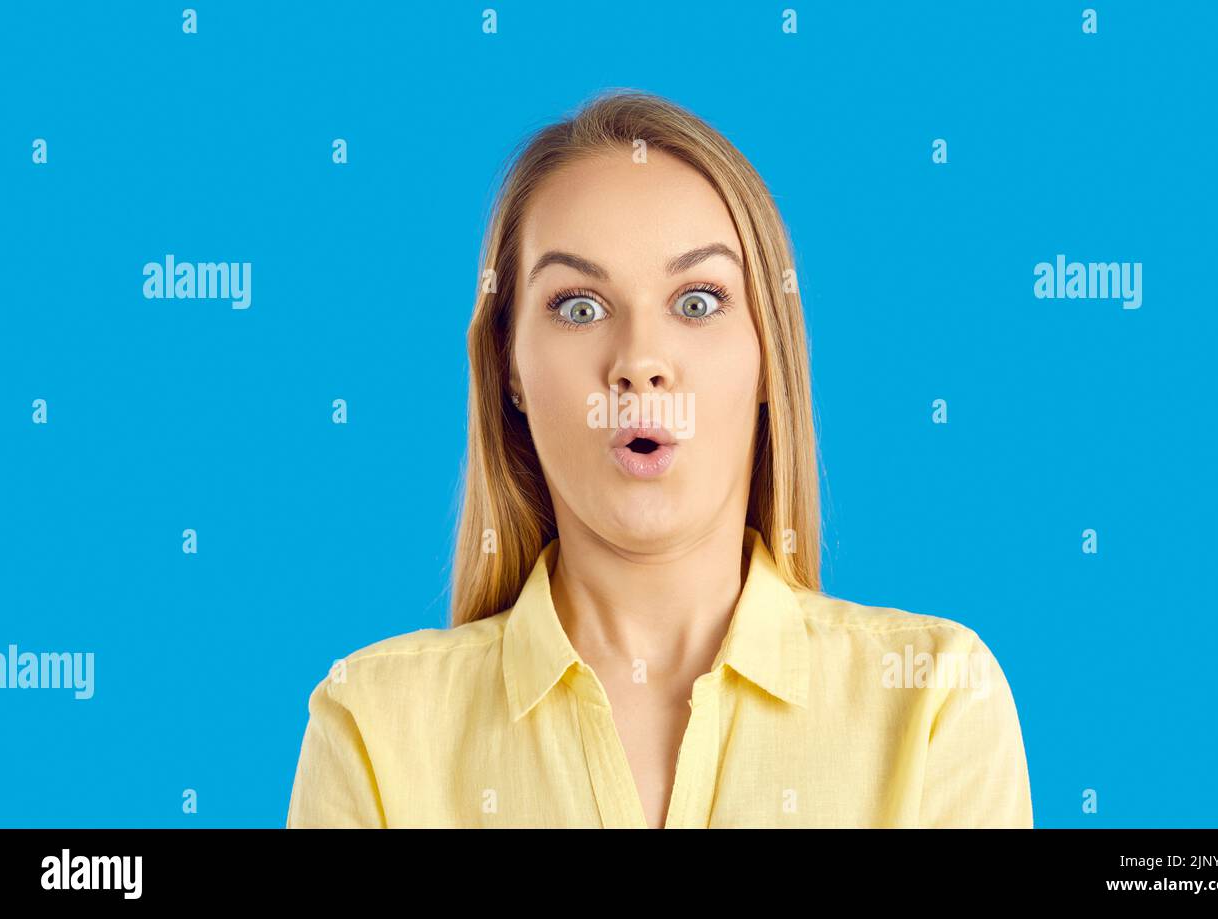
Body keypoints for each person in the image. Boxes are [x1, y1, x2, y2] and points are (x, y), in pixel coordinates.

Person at [286, 89, 1033, 829]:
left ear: (769, 357)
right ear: (510, 370)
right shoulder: (372, 728)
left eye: (698, 301)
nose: (640, 361)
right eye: (579, 306)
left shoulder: (936, 701)